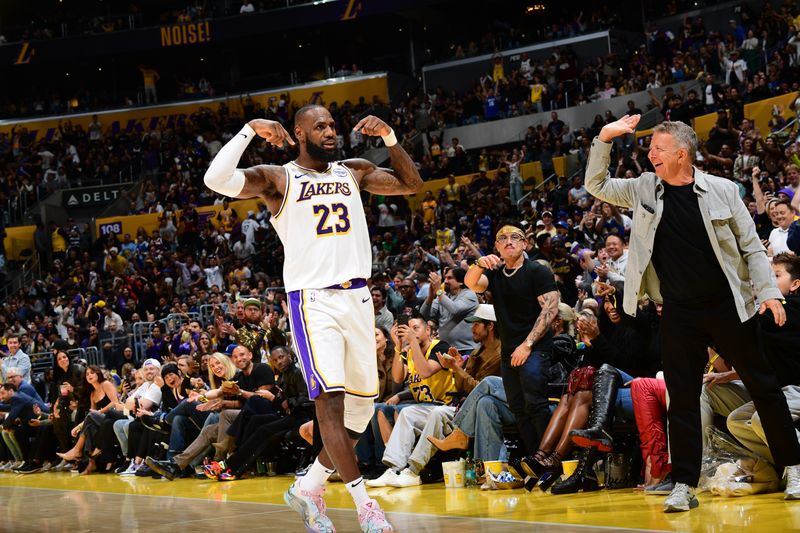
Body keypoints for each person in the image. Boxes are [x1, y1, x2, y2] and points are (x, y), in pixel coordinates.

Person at [202, 105, 422, 532]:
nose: (330, 132)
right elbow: (216, 179)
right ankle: (365, 506)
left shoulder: (353, 171)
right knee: (331, 404)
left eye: (332, 126)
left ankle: (309, 486)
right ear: (299, 133)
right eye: (319, 126)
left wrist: (391, 138)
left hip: (358, 298)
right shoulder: (279, 178)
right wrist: (250, 129)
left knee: (359, 414)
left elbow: (411, 183)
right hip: (312, 301)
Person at [585, 115, 800, 512]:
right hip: (678, 310)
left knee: (763, 386)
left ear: (681, 154)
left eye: (658, 150)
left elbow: (752, 248)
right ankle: (684, 483)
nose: (650, 156)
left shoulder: (723, 190)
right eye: (650, 149)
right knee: (682, 399)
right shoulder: (644, 188)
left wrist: (769, 292)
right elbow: (595, 185)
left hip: (728, 305)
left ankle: (794, 465)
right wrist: (604, 138)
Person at [464, 225, 559, 469]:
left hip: (534, 347)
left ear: (525, 244)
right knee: (518, 408)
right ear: (496, 247)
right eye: (502, 238)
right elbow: (471, 283)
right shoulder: (495, 275)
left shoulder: (536, 271)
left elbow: (550, 310)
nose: (509, 241)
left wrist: (527, 345)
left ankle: (551, 458)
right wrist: (479, 264)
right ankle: (533, 460)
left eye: (515, 238)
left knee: (535, 402)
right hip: (508, 351)